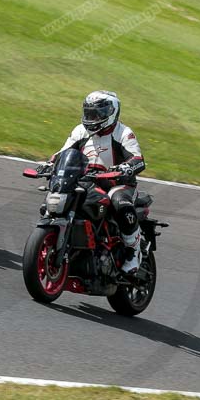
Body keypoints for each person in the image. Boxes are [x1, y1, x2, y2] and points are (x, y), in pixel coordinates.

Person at [43, 91, 146, 274]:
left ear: (111, 113)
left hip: (117, 183)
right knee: (55, 200)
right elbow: (63, 153)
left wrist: (125, 168)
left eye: (97, 113)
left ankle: (133, 250)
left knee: (119, 202)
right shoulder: (80, 130)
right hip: (87, 180)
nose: (92, 118)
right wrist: (49, 164)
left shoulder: (124, 133)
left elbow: (138, 159)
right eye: (89, 113)